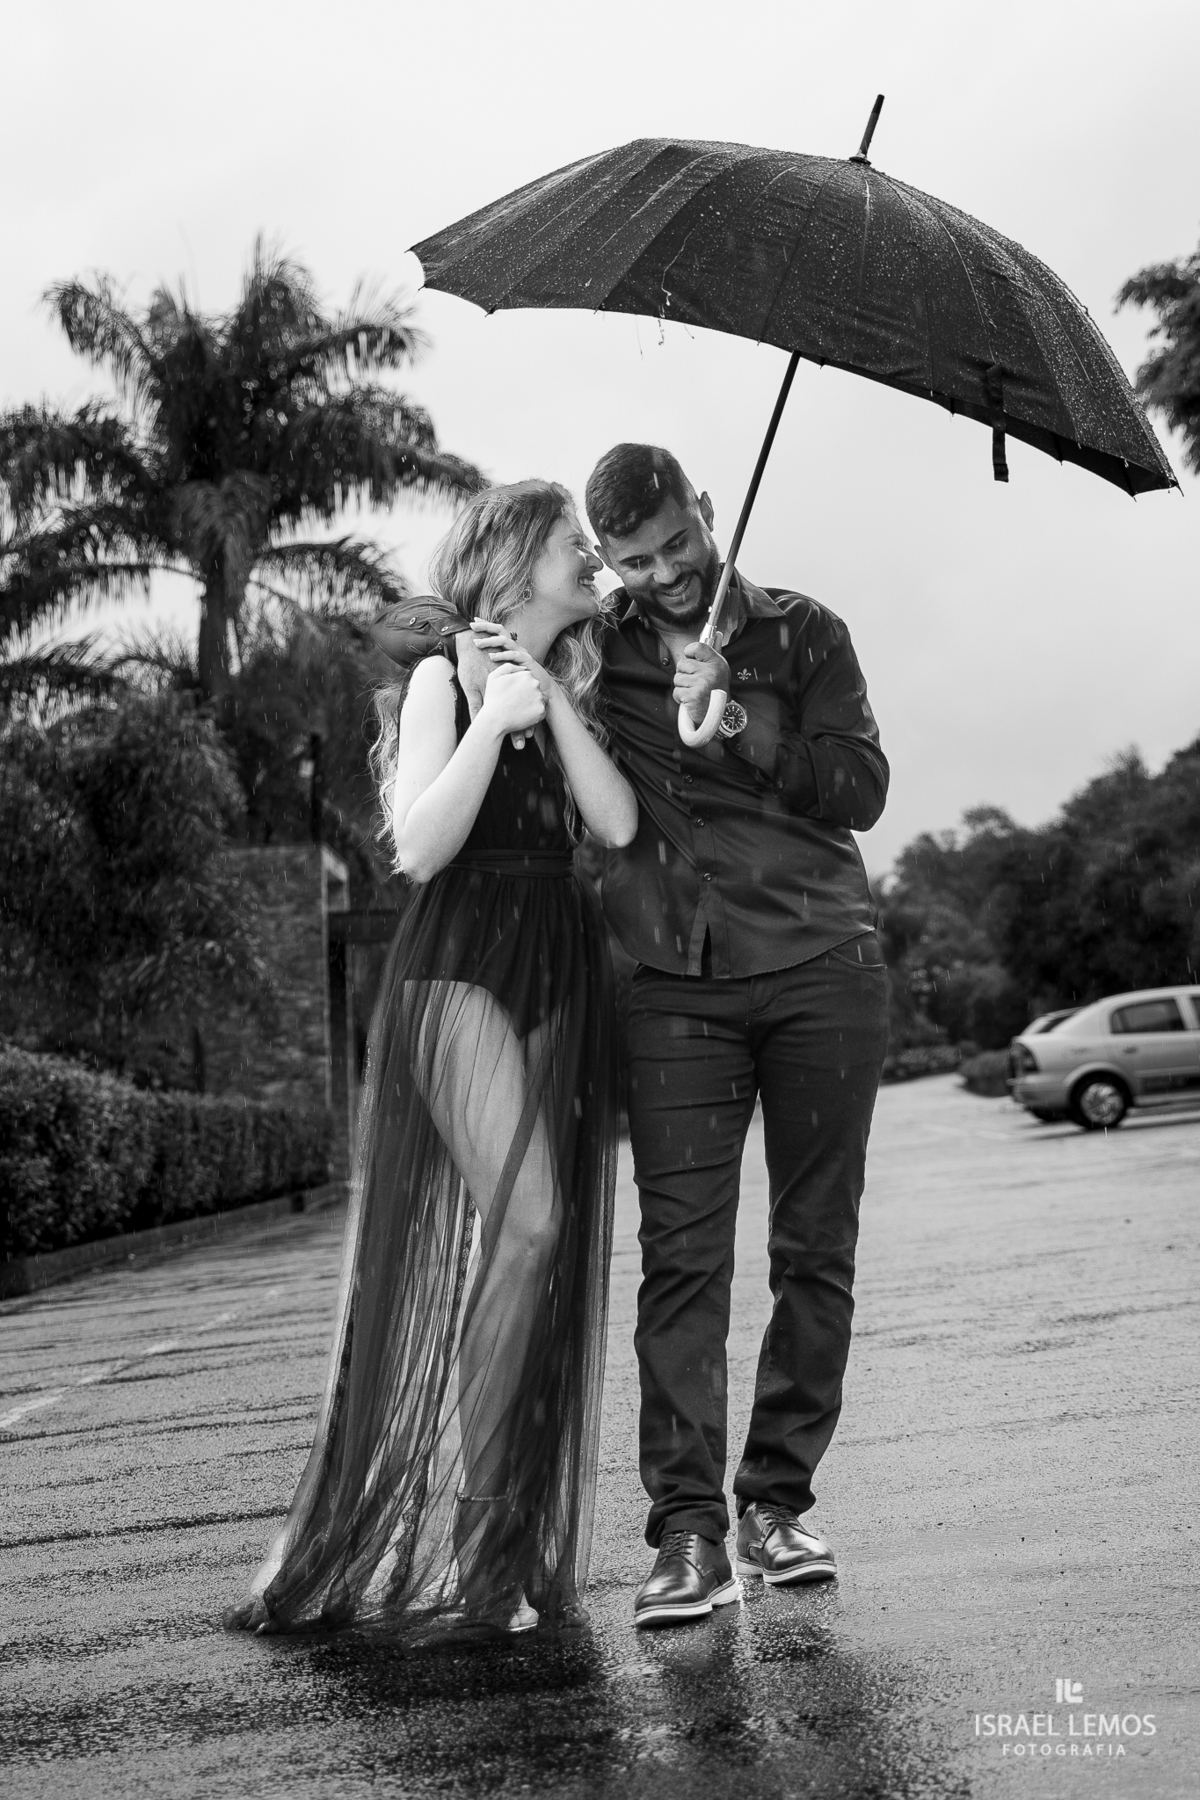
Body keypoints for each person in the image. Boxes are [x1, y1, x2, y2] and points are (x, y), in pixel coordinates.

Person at [474, 443, 889, 1628]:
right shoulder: (593, 650)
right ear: (607, 557)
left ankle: (777, 1504)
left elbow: (862, 788)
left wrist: (742, 721)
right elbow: (465, 627)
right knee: (683, 1261)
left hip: (822, 967)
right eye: (634, 559)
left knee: (815, 1249)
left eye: (677, 545)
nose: (663, 573)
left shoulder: (806, 632)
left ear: (705, 511)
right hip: (672, 985)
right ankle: (689, 1533)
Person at [230, 480, 636, 1641]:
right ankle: (471, 1538)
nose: (591, 554)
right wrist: (491, 720)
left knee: (531, 1256)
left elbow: (612, 829)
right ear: (513, 557)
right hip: (458, 969)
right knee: (532, 1224)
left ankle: (494, 1555)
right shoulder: (439, 682)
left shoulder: (566, 690)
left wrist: (546, 701)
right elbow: (415, 845)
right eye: (572, 541)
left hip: (554, 966)